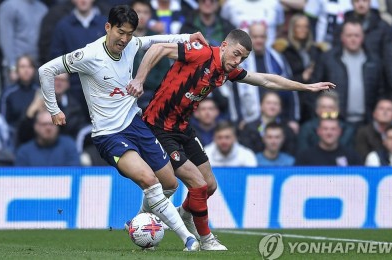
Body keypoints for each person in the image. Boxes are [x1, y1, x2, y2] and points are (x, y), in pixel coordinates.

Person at [128, 29, 335, 250]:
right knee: (196, 185)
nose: (238, 61)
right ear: (224, 46)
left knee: (209, 186)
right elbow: (158, 48)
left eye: (243, 58)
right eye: (236, 54)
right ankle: (206, 240)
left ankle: (184, 214)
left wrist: (305, 87)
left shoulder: (225, 71)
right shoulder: (201, 53)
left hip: (183, 128)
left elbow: (265, 80)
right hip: (158, 127)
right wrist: (139, 80)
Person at [38, 5, 209, 251]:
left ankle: (138, 222)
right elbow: (46, 70)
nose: (125, 39)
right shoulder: (89, 56)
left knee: (170, 184)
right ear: (108, 27)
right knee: (149, 181)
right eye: (121, 32)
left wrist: (187, 38)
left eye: (130, 33)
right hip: (108, 135)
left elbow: (154, 40)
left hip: (135, 125)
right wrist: (54, 110)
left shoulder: (131, 45)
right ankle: (188, 239)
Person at [15, 110, 81, 166]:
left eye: (52, 124)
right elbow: (20, 178)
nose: (48, 128)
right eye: (44, 124)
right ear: (35, 127)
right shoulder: (24, 152)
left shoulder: (69, 146)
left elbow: (75, 173)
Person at [295, 117, 362, 166]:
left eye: (333, 129)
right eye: (325, 129)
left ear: (340, 132)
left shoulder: (352, 157)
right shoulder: (305, 157)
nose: (329, 133)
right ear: (318, 131)